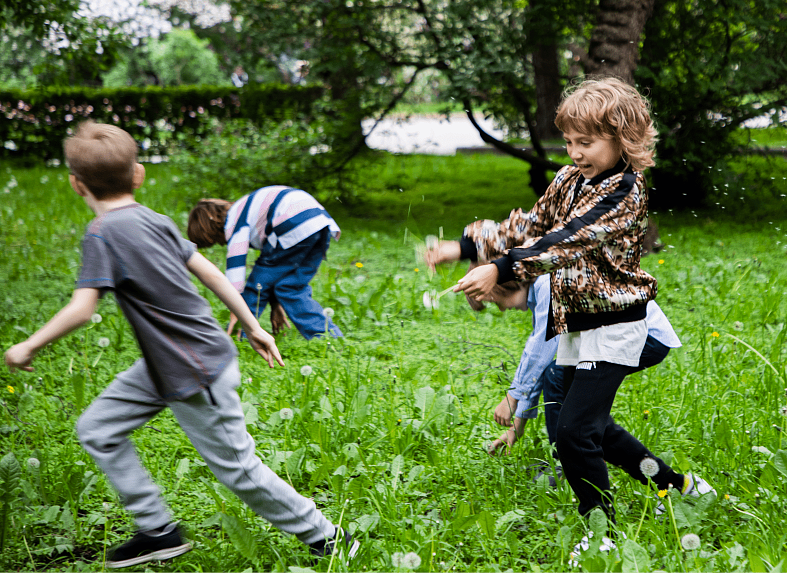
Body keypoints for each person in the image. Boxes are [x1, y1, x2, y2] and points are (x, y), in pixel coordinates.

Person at [4, 122, 350, 568]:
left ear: (75, 184)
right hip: (165, 364)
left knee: (240, 471)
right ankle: (158, 531)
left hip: (195, 368)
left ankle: (328, 537)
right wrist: (254, 325)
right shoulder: (156, 219)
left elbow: (82, 309)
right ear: (139, 175)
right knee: (98, 429)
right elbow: (211, 273)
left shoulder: (102, 233)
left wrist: (27, 346)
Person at [427, 78, 711, 528]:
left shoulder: (624, 191)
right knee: (593, 429)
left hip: (617, 327)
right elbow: (530, 225)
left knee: (574, 432)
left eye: (587, 142)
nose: (575, 153)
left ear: (623, 139)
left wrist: (500, 269)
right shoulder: (568, 178)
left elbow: (568, 239)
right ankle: (678, 487)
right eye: (568, 142)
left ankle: (601, 530)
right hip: (578, 326)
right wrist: (463, 247)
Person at [479, 274, 713, 495]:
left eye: (494, 298)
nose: (499, 307)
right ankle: (678, 486)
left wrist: (513, 396)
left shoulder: (546, 285)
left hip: (642, 335)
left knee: (577, 416)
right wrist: (516, 426)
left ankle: (569, 467)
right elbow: (542, 353)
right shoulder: (542, 288)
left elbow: (540, 348)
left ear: (507, 284)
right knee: (586, 422)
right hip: (607, 340)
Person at [187, 188, 342, 341]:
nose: (221, 244)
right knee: (291, 287)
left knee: (255, 288)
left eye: (215, 241)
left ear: (211, 228)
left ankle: (241, 335)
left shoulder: (234, 222)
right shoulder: (246, 207)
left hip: (291, 222)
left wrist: (235, 307)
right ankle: (329, 338)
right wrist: (276, 305)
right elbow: (277, 273)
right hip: (319, 223)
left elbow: (236, 269)